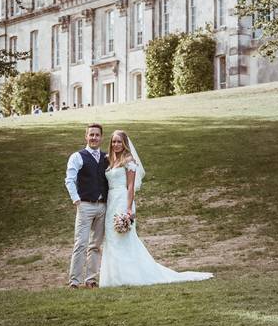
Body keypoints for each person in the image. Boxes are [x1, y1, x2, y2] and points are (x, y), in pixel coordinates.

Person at [99, 130, 214, 287]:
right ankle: (113, 278)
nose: (116, 144)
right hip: (111, 202)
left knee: (125, 238)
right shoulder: (111, 160)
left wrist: (128, 209)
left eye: (119, 141)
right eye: (113, 141)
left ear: (125, 143)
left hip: (122, 200)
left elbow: (131, 186)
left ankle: (130, 276)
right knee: (111, 239)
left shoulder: (129, 160)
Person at [63, 123, 108, 289]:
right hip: (85, 205)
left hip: (103, 206)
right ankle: (74, 281)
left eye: (97, 135)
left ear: (101, 137)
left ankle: (90, 280)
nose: (94, 138)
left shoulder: (106, 157)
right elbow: (69, 179)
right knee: (80, 244)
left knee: (95, 245)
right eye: (91, 135)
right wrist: (76, 200)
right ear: (86, 137)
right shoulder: (77, 156)